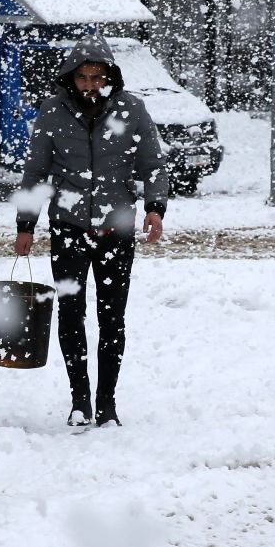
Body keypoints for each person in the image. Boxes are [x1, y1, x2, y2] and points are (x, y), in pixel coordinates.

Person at [13, 35, 169, 427]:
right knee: (70, 314)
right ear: (71, 78)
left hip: (116, 230)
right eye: (82, 78)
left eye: (96, 77)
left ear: (109, 76)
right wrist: (26, 225)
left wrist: (154, 208)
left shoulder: (132, 110)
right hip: (68, 228)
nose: (89, 85)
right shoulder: (52, 112)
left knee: (112, 318)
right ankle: (80, 400)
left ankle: (107, 402)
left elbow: (152, 163)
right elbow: (36, 172)